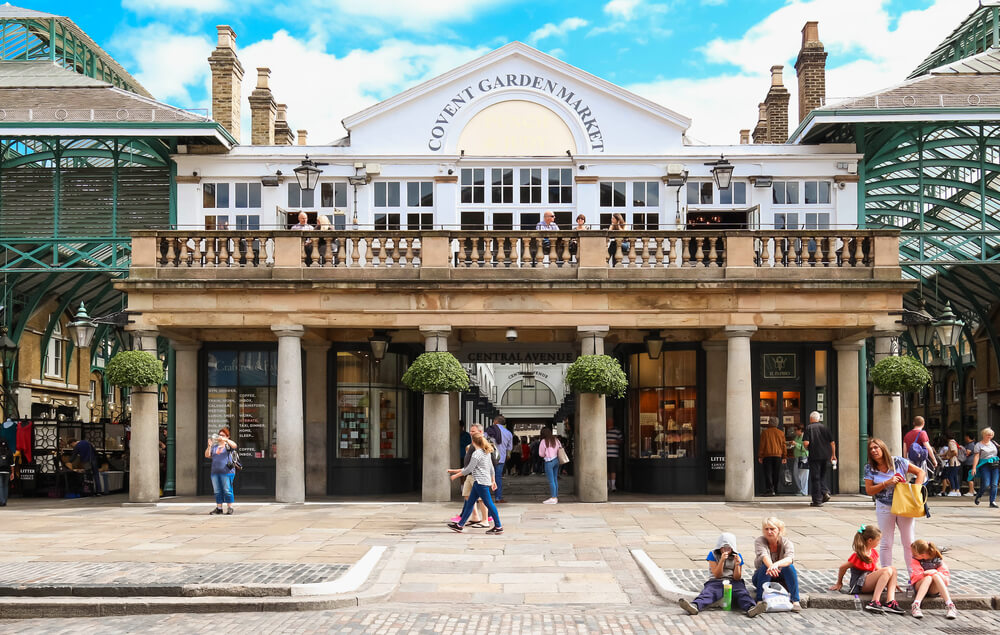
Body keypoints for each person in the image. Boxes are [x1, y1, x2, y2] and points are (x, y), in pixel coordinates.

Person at [864, 437, 925, 579]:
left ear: (882, 448)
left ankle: (914, 577)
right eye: (871, 449)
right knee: (886, 542)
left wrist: (916, 490)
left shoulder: (897, 462)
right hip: (884, 506)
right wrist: (887, 483)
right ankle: (885, 576)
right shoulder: (870, 468)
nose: (874, 451)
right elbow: (869, 490)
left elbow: (920, 472)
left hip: (904, 505)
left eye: (876, 447)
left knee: (909, 542)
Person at [677, 532, 767, 618]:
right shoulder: (712, 554)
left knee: (742, 594)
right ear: (719, 547)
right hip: (716, 581)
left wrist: (737, 565)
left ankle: (751, 608)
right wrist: (722, 561)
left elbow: (737, 577)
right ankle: (694, 606)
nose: (726, 550)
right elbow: (717, 574)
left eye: (729, 548)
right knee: (708, 593)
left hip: (734, 582)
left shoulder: (738, 556)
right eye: (723, 547)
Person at [829, 524, 903, 614]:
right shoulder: (858, 556)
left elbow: (877, 568)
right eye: (878, 540)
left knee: (892, 569)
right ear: (870, 541)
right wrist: (839, 582)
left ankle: (890, 602)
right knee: (887, 570)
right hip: (859, 584)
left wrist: (891, 580)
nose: (879, 542)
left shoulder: (873, 552)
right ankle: (874, 601)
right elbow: (842, 567)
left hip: (868, 581)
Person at [447, 434, 503, 535]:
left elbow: (469, 469)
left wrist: (455, 476)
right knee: (470, 503)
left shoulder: (476, 454)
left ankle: (498, 526)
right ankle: (460, 525)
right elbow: (491, 468)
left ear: (473, 442)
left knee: (489, 504)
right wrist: (493, 481)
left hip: (480, 482)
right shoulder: (486, 452)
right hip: (482, 482)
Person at [751, 517, 801, 611]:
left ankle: (795, 601)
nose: (769, 532)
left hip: (781, 578)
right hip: (762, 577)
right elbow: (764, 556)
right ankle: (760, 601)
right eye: (766, 529)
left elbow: (789, 559)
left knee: (789, 567)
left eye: (772, 529)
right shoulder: (760, 541)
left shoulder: (787, 542)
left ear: (779, 530)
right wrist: (771, 566)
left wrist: (776, 565)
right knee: (766, 566)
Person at [451, 423, 491, 527]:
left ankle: (486, 520)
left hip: (477, 476)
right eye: (471, 431)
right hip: (470, 475)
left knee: (482, 500)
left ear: (480, 432)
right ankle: (474, 518)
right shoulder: (473, 443)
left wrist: (457, 474)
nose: (471, 433)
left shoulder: (480, 445)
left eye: (473, 431)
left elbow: (486, 465)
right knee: (468, 496)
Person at [909, 539, 957, 620]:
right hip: (920, 585)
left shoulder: (938, 561)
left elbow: (946, 580)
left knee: (936, 576)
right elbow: (915, 577)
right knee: (928, 577)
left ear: (923, 554)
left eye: (915, 554)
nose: (913, 555)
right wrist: (925, 573)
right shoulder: (915, 560)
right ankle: (916, 605)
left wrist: (935, 572)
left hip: (933, 589)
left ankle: (950, 605)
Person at [802, 411, 836, 506]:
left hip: (814, 456)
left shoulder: (809, 428)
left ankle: (817, 500)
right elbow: (832, 443)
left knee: (815, 478)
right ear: (819, 419)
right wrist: (833, 455)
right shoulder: (825, 428)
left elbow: (806, 443)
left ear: (810, 419)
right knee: (822, 476)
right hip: (826, 456)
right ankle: (824, 492)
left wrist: (807, 448)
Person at [205, 427, 238, 515]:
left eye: (223, 435)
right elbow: (207, 455)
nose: (220, 437)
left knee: (227, 490)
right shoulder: (215, 447)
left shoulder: (228, 446)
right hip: (215, 472)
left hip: (227, 472)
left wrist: (225, 440)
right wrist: (209, 446)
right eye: (219, 435)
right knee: (217, 490)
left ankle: (230, 507)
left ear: (227, 436)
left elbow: (235, 445)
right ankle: (219, 508)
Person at [486, 415, 512, 503]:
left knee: (485, 476)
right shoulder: (508, 433)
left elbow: (482, 440)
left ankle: (485, 496)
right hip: (500, 458)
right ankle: (498, 497)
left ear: (495, 421)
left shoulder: (489, 430)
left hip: (488, 457)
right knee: (498, 477)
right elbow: (510, 447)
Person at [970, 426, 999, 507]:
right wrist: (974, 467)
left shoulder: (994, 443)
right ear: (983, 435)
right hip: (984, 465)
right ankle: (979, 495)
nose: (989, 436)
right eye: (987, 435)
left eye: (990, 435)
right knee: (986, 483)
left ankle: (992, 501)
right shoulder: (978, 445)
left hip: (994, 464)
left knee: (994, 484)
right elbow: (976, 456)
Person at [757, 417, 786, 496]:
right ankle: (776, 490)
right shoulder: (781, 433)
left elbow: (762, 445)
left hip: (767, 455)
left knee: (768, 473)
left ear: (769, 423)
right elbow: (783, 446)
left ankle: (770, 490)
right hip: (778, 456)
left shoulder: (765, 433)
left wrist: (760, 456)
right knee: (776, 473)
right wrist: (784, 456)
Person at [903, 416, 938, 480]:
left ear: (913, 423)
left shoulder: (907, 435)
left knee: (911, 480)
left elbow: (905, 451)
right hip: (920, 460)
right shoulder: (922, 433)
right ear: (923, 423)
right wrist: (934, 460)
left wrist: (906, 461)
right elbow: (928, 447)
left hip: (910, 460)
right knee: (921, 479)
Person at [538, 426, 562, 504]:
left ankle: (553, 497)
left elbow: (541, 454)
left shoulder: (543, 441)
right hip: (556, 461)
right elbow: (560, 449)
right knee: (555, 479)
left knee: (551, 480)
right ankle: (555, 496)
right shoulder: (556, 440)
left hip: (549, 461)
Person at [791, 425, 809, 496]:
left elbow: (805, 448)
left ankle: (804, 491)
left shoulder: (805, 437)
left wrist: (796, 444)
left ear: (800, 430)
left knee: (803, 475)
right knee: (796, 474)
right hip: (797, 457)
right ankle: (800, 489)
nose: (795, 431)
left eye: (796, 430)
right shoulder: (797, 437)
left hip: (803, 457)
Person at [606, 418, 623, 492]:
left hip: (613, 454)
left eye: (610, 421)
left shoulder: (617, 431)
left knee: (612, 470)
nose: (608, 422)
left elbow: (621, 441)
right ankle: (607, 485)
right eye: (607, 421)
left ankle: (612, 486)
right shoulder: (603, 430)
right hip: (604, 454)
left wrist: (612, 442)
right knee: (606, 471)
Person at [0, 439, 13, 506]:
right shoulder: (9, 452)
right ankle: (4, 501)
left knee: (1, 486)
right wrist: (12, 473)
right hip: (7, 471)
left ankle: (1, 501)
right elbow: (12, 464)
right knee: (5, 486)